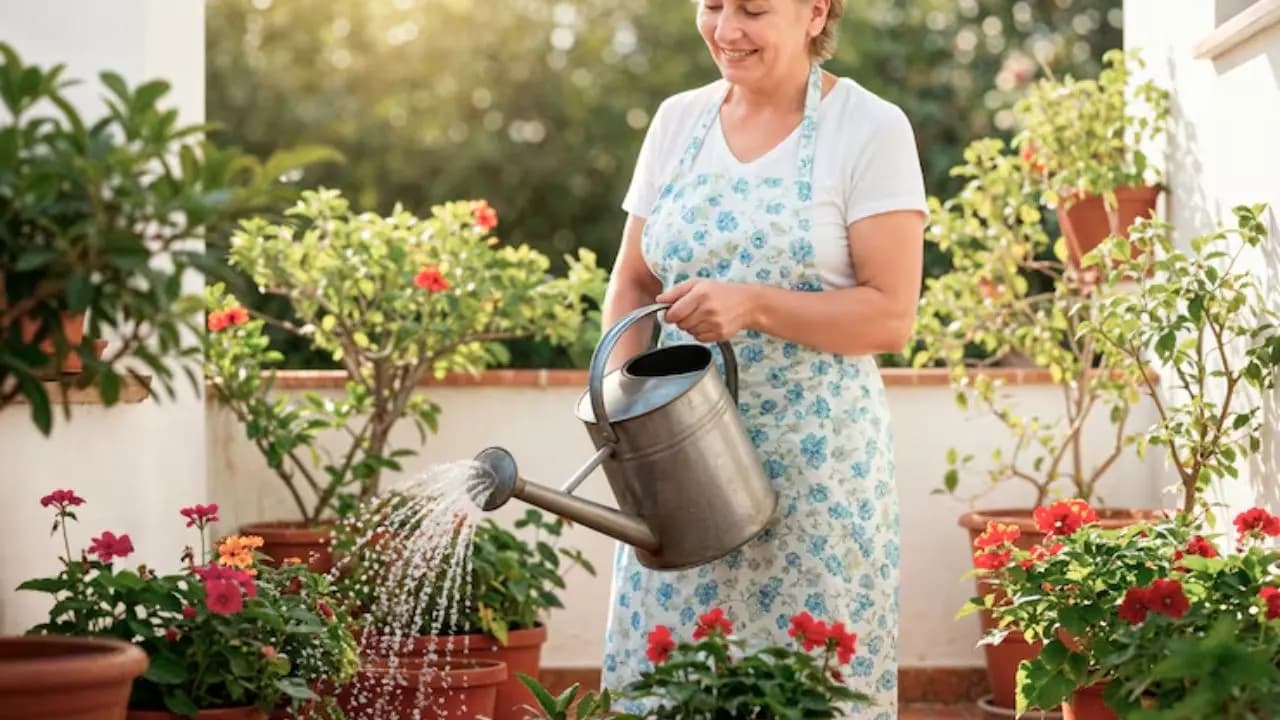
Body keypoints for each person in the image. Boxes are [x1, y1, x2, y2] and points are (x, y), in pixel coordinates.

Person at [598, 0, 927, 716]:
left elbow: (890, 315)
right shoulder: (677, 122)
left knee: (806, 688)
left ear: (816, 11)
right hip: (677, 467)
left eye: (752, 9)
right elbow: (634, 281)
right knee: (671, 685)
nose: (725, 30)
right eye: (712, 4)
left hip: (816, 471)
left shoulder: (868, 128)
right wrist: (622, 415)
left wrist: (753, 305)